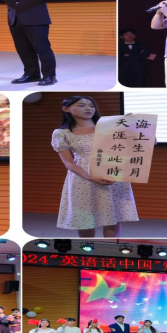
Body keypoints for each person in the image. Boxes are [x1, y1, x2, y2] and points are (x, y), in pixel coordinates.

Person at [52, 96, 139, 237]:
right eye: (81, 105)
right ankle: (87, 247)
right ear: (66, 108)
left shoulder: (111, 127)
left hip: (111, 173)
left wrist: (135, 125)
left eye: (91, 106)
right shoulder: (61, 133)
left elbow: (148, 142)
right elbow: (69, 162)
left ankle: (112, 246)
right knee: (85, 219)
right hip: (83, 178)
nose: (88, 108)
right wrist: (91, 177)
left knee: (113, 217)